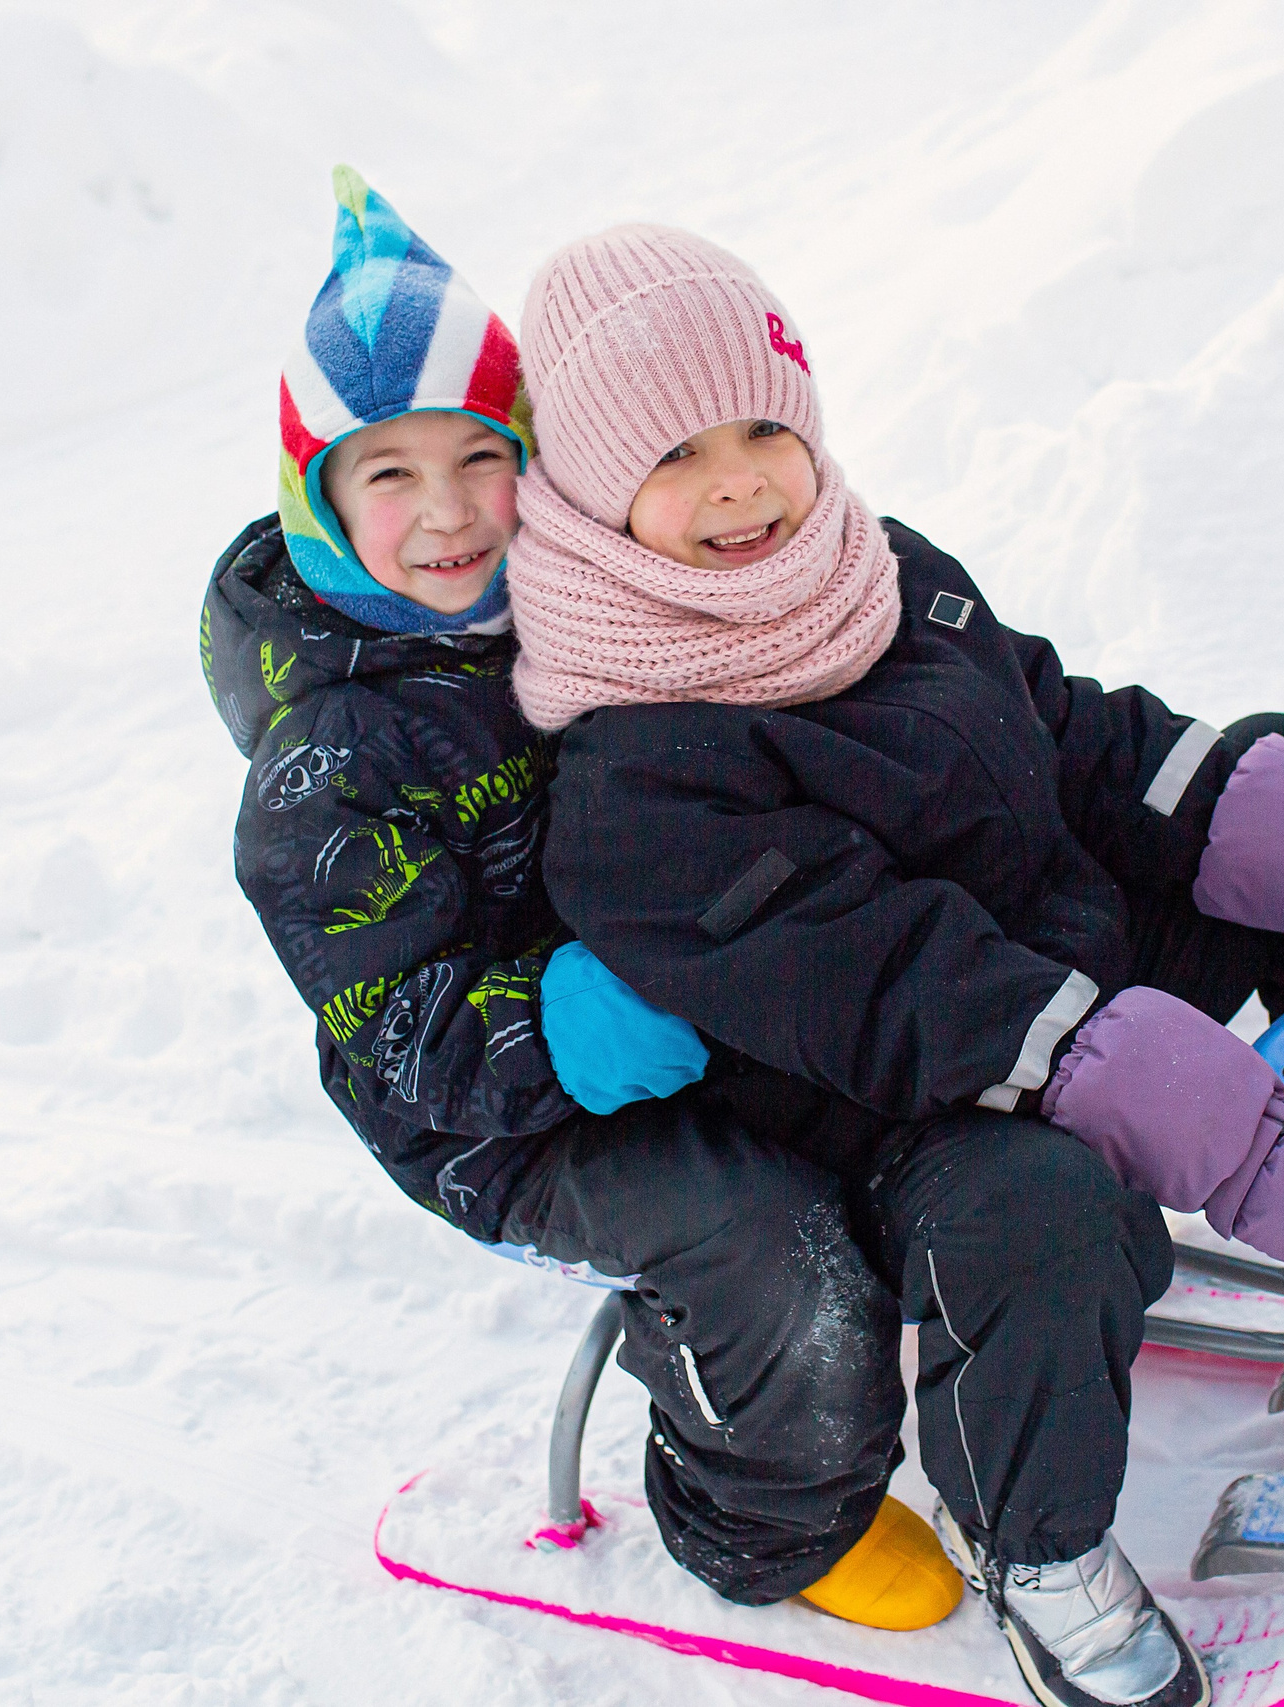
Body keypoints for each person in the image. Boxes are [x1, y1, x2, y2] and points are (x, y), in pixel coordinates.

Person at [498, 226, 1284, 1707]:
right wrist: (1119, 1069)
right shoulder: (636, 779)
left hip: (1057, 967)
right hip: (888, 1104)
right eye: (676, 457)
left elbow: (1059, 729)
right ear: (598, 492)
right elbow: (880, 978)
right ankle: (1039, 1549)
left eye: (762, 431)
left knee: (1279, 792)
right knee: (1050, 1209)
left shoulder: (873, 574)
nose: (741, 483)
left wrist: (1235, 800)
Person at [203, 174, 965, 1638]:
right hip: (504, 1112)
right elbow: (387, 1030)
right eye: (385, 476)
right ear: (315, 497)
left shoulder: (591, 590)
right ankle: (766, 1517)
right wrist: (561, 1024)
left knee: (911, 1075)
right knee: (766, 1244)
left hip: (693, 990)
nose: (446, 515)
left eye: (478, 459)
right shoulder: (330, 764)